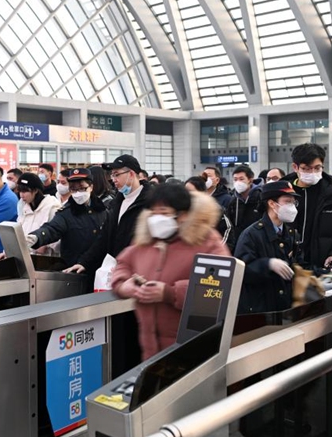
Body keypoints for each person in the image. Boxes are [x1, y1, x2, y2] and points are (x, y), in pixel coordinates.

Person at [111, 184, 230, 360]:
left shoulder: (206, 241)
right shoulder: (146, 240)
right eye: (153, 212)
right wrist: (123, 285)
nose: (157, 218)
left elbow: (216, 289)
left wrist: (169, 293)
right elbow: (123, 264)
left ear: (182, 215)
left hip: (193, 350)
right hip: (150, 350)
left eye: (164, 213)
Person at [65, 154, 151, 375]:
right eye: (111, 175)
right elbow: (105, 238)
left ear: (132, 174)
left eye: (116, 174)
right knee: (119, 332)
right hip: (119, 277)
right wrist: (84, 262)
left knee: (135, 335)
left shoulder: (151, 201)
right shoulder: (118, 201)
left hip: (140, 279)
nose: (113, 179)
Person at [283, 143, 332, 271]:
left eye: (317, 168)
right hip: (286, 266)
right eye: (307, 168)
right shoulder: (282, 194)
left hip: (322, 267)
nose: (312, 172)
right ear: (295, 167)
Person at [234, 181, 299, 314]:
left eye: (294, 202)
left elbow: (298, 262)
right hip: (261, 308)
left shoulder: (290, 233)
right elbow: (241, 270)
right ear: (272, 204)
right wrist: (267, 264)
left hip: (284, 305)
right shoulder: (251, 235)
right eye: (288, 201)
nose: (292, 207)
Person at [27, 168, 108, 269]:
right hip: (75, 269)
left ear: (91, 187)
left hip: (100, 270)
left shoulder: (103, 210)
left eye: (82, 188)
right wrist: (36, 237)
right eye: (73, 189)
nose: (78, 193)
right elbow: (52, 228)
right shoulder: (66, 213)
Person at [0, 173, 60, 260]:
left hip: (46, 262)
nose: (21, 195)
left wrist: (46, 245)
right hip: (26, 259)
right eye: (20, 191)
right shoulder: (23, 207)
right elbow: (19, 234)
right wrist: (6, 252)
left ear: (36, 190)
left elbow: (58, 234)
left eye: (25, 191)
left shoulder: (52, 207)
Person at [185, 176, 235, 252]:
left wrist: (212, 254)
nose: (187, 195)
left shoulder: (216, 211)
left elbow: (227, 237)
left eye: (191, 192)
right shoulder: (182, 212)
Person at [226, 164, 263, 246]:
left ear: (250, 180)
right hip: (238, 242)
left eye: (241, 179)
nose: (238, 182)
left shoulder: (261, 197)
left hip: (258, 242)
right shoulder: (233, 200)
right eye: (235, 179)